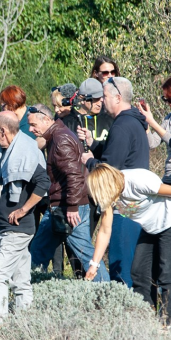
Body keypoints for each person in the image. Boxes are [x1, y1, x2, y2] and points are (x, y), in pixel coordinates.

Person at [86, 165, 171, 325]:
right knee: (139, 273)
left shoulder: (138, 181)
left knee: (168, 276)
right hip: (150, 228)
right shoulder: (110, 197)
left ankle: (165, 325)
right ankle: (144, 321)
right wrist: (94, 265)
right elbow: (105, 231)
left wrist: (155, 194)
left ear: (105, 185)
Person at [77, 76, 147, 286]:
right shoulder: (132, 121)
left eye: (105, 96)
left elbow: (110, 170)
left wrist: (90, 162)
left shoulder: (122, 126)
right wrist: (95, 143)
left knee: (121, 267)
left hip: (124, 206)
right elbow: (119, 154)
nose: (102, 100)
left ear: (117, 98)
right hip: (135, 203)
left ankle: (124, 313)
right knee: (133, 267)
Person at [27, 104, 107, 281]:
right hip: (61, 206)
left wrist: (72, 207)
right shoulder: (57, 135)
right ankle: (28, 292)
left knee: (84, 253)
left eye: (33, 125)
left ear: (46, 120)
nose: (31, 130)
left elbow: (74, 176)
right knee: (38, 250)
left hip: (68, 208)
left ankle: (108, 291)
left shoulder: (60, 139)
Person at [0, 111, 51, 324]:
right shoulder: (11, 149)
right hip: (14, 228)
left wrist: (23, 209)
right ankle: (25, 325)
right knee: (21, 281)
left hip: (18, 228)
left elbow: (43, 183)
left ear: (3, 132)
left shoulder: (23, 151)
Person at [59, 78, 111, 145]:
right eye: (95, 99)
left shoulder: (109, 118)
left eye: (101, 98)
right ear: (82, 98)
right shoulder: (68, 122)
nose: (99, 103)